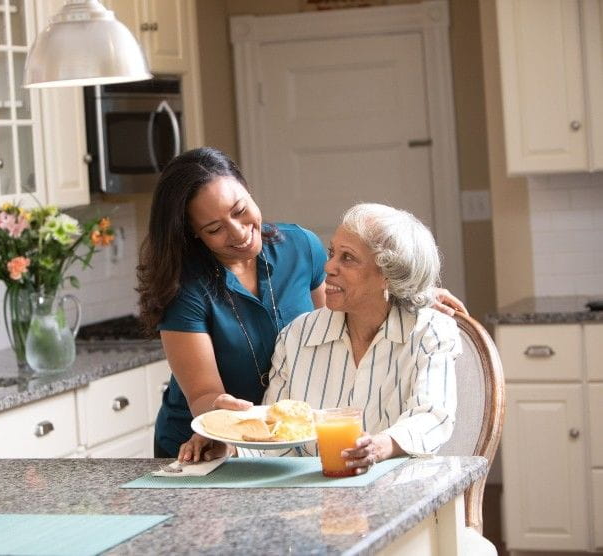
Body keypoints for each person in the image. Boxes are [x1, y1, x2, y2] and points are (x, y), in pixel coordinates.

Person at [137, 148, 466, 458]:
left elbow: (341, 311)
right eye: (214, 228)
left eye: (240, 210)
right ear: (193, 233)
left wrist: (405, 293)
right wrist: (230, 435)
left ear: (249, 192)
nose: (237, 233)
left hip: (277, 446)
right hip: (206, 441)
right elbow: (204, 396)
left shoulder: (299, 246)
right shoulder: (186, 286)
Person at [179, 203, 462, 473]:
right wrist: (229, 448)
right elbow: (276, 437)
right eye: (331, 253)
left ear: (388, 274)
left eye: (347, 258)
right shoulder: (297, 336)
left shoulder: (429, 332)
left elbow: (432, 415)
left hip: (399, 492)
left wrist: (380, 446)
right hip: (313, 496)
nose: (328, 267)